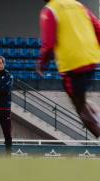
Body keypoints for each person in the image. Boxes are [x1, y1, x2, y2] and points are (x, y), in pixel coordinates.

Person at [37, 0, 100, 140]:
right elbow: (98, 27)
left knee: (80, 108)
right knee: (83, 101)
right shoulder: (78, 5)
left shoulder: (50, 10)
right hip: (91, 59)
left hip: (73, 65)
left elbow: (48, 43)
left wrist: (42, 64)